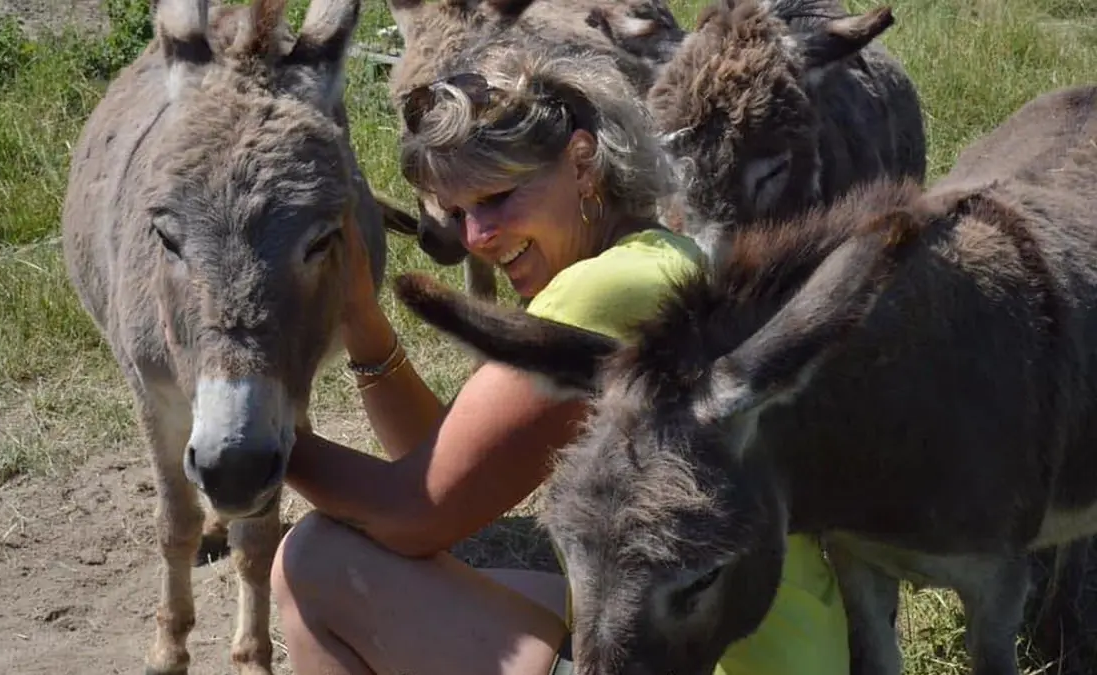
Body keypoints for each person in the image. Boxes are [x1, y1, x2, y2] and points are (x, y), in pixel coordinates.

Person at [270, 42, 850, 675]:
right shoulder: (661, 259)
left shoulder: (609, 292)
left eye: (496, 198)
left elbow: (418, 514)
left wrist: (249, 434)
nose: (475, 238)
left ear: (581, 164)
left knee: (317, 561)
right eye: (459, 213)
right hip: (788, 652)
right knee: (477, 577)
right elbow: (447, 466)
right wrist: (362, 320)